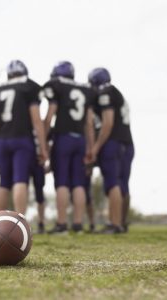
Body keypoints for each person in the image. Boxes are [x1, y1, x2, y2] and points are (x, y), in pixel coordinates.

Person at [0, 60, 48, 215]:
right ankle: (21, 221)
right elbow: (36, 121)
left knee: (4, 183)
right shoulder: (30, 86)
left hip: (2, 140)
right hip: (22, 139)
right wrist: (43, 147)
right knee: (20, 180)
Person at [43, 61, 97, 233]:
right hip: (80, 139)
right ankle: (78, 224)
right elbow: (89, 122)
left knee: (62, 182)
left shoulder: (56, 85)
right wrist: (91, 147)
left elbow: (50, 114)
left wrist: (42, 140)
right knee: (79, 183)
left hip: (63, 138)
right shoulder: (87, 89)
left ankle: (61, 224)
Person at [87, 67, 134, 234]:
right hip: (127, 142)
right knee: (123, 184)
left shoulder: (105, 93)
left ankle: (114, 224)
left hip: (112, 142)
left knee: (112, 183)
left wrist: (96, 146)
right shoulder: (117, 93)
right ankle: (121, 222)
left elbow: (108, 122)